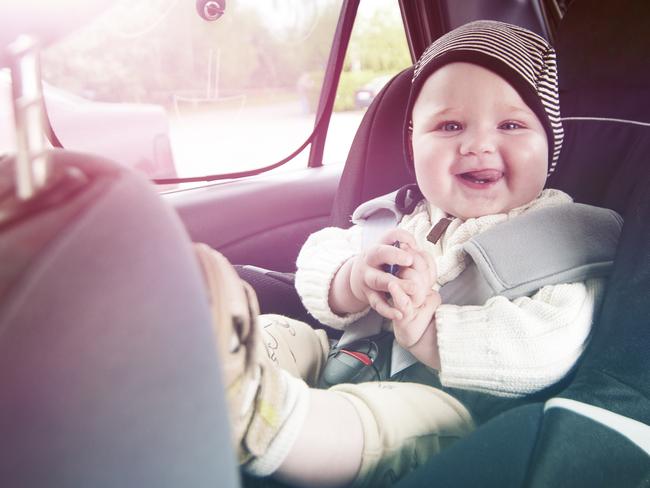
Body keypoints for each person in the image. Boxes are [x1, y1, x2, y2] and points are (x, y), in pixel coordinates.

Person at [197, 20, 607, 488]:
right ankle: (209, 370)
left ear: (548, 144)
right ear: (414, 144)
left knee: (384, 420)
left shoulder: (563, 238)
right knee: (283, 333)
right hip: (349, 355)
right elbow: (319, 252)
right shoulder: (403, 212)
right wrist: (352, 278)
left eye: (511, 125)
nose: (477, 144)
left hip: (449, 409)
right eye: (449, 125)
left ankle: (262, 417)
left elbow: (548, 344)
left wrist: (431, 332)